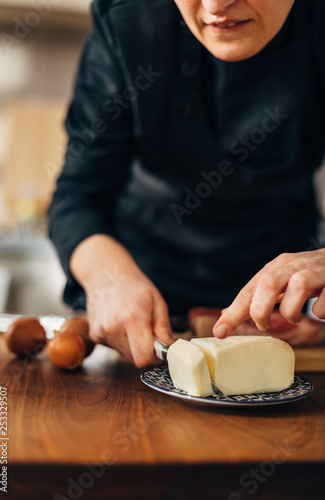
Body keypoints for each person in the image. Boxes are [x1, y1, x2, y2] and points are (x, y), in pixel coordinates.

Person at [49, 0, 325, 367]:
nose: (215, 5)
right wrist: (106, 276)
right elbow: (78, 193)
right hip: (143, 285)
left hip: (280, 303)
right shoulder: (128, 17)